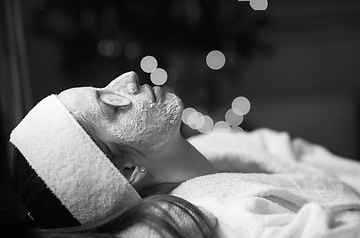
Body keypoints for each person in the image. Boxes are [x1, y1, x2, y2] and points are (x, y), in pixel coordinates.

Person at [9, 71, 360, 238]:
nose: (127, 78)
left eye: (104, 85)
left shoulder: (227, 145)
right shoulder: (238, 222)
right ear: (129, 169)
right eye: (111, 104)